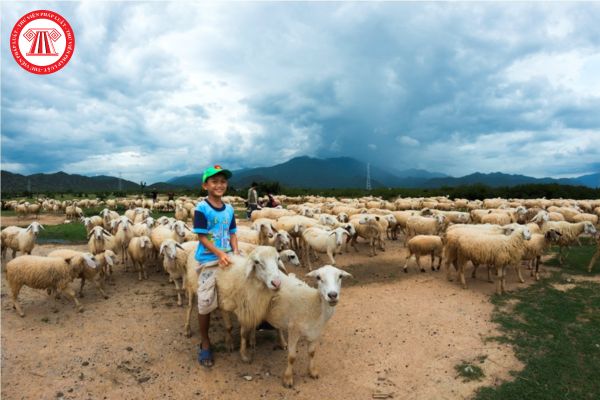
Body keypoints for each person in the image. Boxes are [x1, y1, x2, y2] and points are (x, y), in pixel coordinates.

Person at [192, 164, 239, 368]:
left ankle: (258, 320)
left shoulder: (229, 208)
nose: (219, 185)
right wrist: (219, 253)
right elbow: (201, 236)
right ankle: (205, 342)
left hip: (228, 256)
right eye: (214, 181)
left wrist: (235, 252)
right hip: (208, 260)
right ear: (205, 185)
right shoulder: (201, 209)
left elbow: (233, 232)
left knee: (251, 280)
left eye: (222, 181)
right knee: (205, 300)